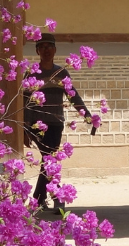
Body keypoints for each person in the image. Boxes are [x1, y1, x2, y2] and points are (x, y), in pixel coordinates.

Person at [24, 33, 96, 216]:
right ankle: (57, 198)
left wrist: (87, 115)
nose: (46, 50)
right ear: (37, 51)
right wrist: (25, 127)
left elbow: (73, 96)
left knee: (48, 160)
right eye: (43, 47)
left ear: (55, 50)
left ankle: (39, 198)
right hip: (37, 125)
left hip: (56, 123)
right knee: (50, 159)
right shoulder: (31, 73)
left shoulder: (61, 73)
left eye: (50, 47)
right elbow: (25, 101)